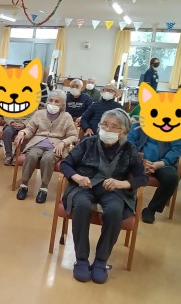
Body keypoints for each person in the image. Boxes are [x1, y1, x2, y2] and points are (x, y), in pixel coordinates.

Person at [60, 109, 148, 284]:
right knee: (82, 206)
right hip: (85, 186)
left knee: (115, 210)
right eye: (105, 124)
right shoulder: (88, 142)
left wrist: (122, 183)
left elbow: (142, 178)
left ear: (124, 132)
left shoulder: (129, 149)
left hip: (113, 190)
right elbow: (66, 164)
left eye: (114, 127)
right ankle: (81, 259)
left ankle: (101, 260)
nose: (108, 129)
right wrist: (77, 177)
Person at [14, 90, 78, 203]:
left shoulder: (66, 116)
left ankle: (43, 188)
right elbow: (30, 129)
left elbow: (73, 135)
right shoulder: (39, 114)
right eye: (51, 100)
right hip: (37, 143)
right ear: (47, 101)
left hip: (56, 146)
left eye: (57, 101)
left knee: (47, 158)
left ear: (62, 104)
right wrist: (22, 133)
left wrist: (63, 142)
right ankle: (24, 185)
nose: (53, 103)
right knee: (31, 156)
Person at [127, 121, 181, 224]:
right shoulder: (138, 125)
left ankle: (151, 209)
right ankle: (131, 204)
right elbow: (129, 142)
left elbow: (177, 149)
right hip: (139, 160)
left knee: (172, 178)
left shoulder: (174, 128)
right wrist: (139, 160)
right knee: (124, 171)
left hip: (163, 163)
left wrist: (161, 163)